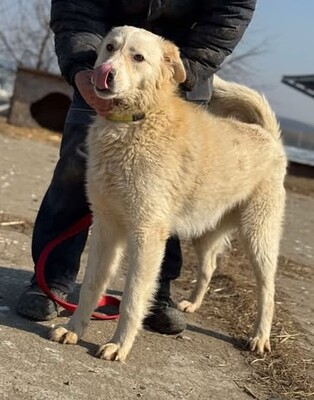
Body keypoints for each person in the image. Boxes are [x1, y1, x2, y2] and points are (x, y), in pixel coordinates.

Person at [17, 0, 257, 334]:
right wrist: (84, 65)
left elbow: (232, 11)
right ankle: (51, 281)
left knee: (167, 201)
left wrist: (185, 68)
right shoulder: (108, 54)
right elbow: (75, 8)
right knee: (75, 166)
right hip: (102, 41)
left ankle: (155, 294)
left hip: (181, 61)